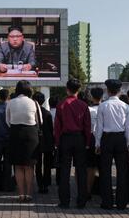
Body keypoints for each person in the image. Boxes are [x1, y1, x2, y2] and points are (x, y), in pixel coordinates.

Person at [54, 78, 91, 209]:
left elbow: (57, 127)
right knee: (81, 171)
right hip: (80, 138)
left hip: (65, 139)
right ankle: (81, 201)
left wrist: (58, 142)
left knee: (65, 171)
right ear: (78, 90)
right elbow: (87, 126)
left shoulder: (61, 105)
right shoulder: (83, 105)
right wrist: (87, 142)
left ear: (67, 89)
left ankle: (64, 201)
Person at [95, 79, 129, 210]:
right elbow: (128, 128)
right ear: (120, 91)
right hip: (121, 138)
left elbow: (99, 126)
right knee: (122, 172)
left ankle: (107, 202)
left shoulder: (103, 106)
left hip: (106, 138)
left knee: (105, 171)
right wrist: (128, 144)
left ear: (108, 91)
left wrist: (97, 143)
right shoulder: (125, 106)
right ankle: (122, 203)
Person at [6, 80, 41, 202]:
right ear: (29, 90)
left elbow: (7, 120)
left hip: (15, 133)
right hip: (31, 134)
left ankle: (21, 194)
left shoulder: (10, 102)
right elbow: (39, 121)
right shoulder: (34, 103)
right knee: (29, 166)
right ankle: (29, 194)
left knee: (18, 166)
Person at [32, 91, 54, 194]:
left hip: (36, 142)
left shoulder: (32, 113)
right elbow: (51, 129)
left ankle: (40, 184)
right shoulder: (47, 113)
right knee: (47, 164)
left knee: (38, 164)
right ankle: (46, 183)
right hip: (48, 141)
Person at [87, 87, 103, 199]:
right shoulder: (106, 108)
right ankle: (103, 190)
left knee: (91, 167)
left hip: (91, 140)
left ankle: (88, 191)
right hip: (105, 140)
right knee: (103, 167)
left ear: (91, 97)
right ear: (102, 96)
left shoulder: (88, 110)